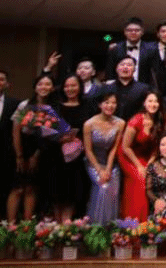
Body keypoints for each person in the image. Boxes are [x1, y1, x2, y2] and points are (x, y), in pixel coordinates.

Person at [8, 74, 59, 221]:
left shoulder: (53, 108)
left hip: (42, 149)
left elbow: (49, 135)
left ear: (52, 88)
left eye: (48, 84)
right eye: (40, 84)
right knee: (18, 188)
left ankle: (27, 225)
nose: (44, 87)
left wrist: (36, 155)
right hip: (21, 147)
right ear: (35, 87)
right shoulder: (25, 105)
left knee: (32, 188)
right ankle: (10, 226)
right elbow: (16, 131)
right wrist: (19, 155)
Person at [52, 74, 92, 221]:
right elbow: (46, 130)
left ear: (80, 87)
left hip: (78, 156)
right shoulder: (56, 106)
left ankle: (66, 224)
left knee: (73, 191)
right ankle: (56, 225)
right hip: (56, 155)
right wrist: (59, 138)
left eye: (73, 85)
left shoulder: (88, 106)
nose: (70, 89)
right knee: (56, 191)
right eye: (67, 86)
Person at [118, 91, 163, 220]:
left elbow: (156, 148)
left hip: (145, 157)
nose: (153, 104)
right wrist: (139, 166)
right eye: (150, 101)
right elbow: (125, 147)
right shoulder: (136, 120)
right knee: (140, 179)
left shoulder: (159, 120)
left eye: (156, 101)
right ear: (144, 103)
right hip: (128, 156)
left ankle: (147, 221)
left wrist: (149, 164)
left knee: (149, 177)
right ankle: (134, 221)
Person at [83, 90, 124, 223]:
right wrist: (100, 170)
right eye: (106, 102)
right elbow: (88, 150)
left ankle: (111, 227)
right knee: (103, 187)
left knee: (112, 189)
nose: (110, 106)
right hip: (93, 162)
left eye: (113, 103)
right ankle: (95, 226)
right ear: (100, 105)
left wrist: (108, 169)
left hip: (111, 164)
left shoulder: (120, 123)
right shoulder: (89, 124)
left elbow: (114, 149)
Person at [106, 17, 158, 85]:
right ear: (125, 32)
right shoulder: (115, 49)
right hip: (120, 87)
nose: (133, 32)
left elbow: (155, 71)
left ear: (142, 32)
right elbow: (110, 71)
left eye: (137, 30)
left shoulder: (151, 49)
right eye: (130, 30)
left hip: (144, 87)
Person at [0, 70, 17, 213]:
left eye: (1, 79)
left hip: (5, 154)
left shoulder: (14, 104)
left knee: (4, 188)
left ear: (7, 84)